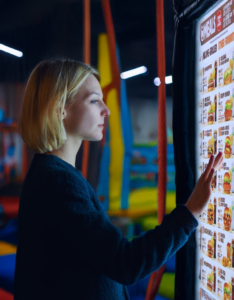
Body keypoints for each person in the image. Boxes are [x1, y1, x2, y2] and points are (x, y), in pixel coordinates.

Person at [14, 58, 223, 300]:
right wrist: (189, 213)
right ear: (61, 108)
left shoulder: (52, 173)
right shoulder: (58, 182)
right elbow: (125, 263)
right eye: (94, 101)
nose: (107, 110)